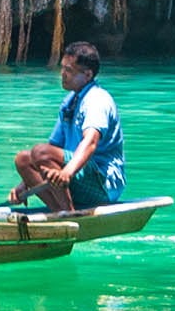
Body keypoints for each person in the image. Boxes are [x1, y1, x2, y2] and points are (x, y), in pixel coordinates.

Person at [8, 41, 124, 212]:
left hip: (103, 183)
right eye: (62, 68)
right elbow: (52, 148)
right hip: (74, 175)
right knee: (23, 159)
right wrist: (26, 184)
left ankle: (68, 213)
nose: (62, 74)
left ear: (88, 74)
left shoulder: (97, 100)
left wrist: (67, 172)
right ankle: (60, 211)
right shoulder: (69, 101)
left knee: (40, 152)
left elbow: (90, 142)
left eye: (69, 70)